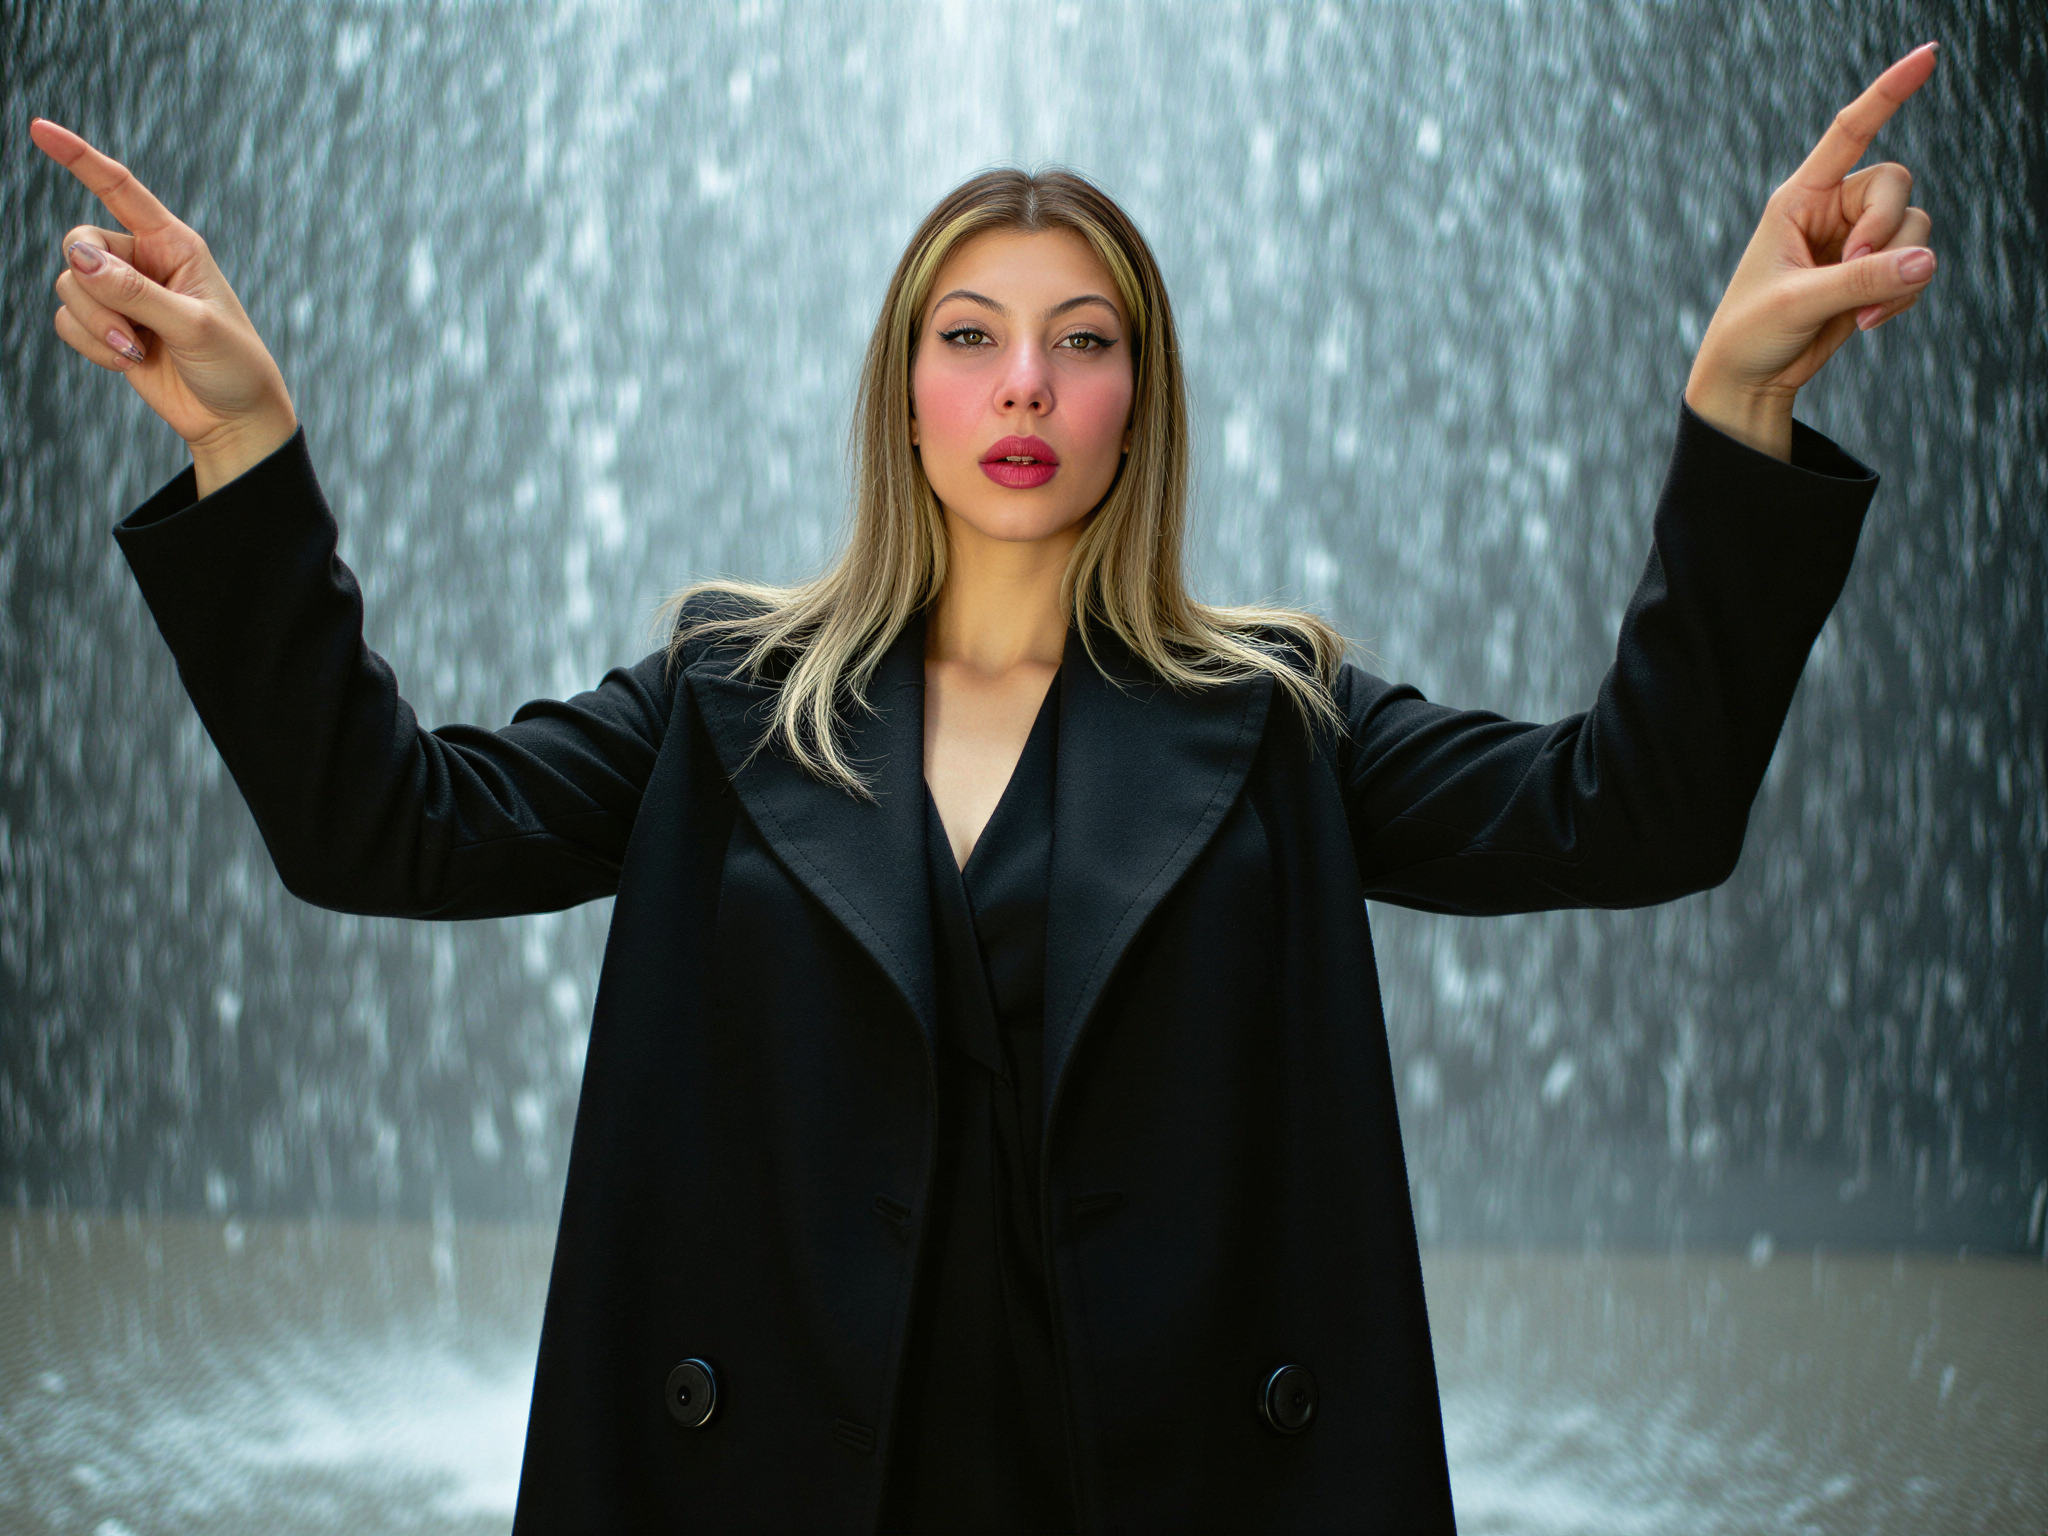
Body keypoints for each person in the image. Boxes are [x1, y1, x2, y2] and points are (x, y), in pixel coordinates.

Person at [29, 41, 1938, 1534]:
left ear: (1139, 398)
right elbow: (386, 827)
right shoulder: (728, 699)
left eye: (1081, 343)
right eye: (973, 339)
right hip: (788, 1491)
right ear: (907, 390)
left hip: (1162, 1492)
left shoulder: (1277, 719)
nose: (1024, 385)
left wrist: (1738, 408)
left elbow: (1635, 811)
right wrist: (250, 448)